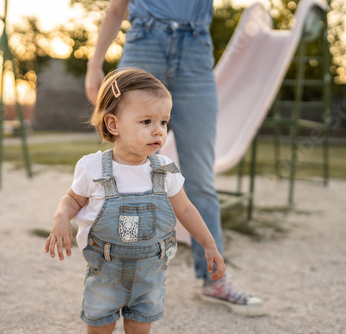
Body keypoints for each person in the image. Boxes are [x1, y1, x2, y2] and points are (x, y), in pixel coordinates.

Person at [84, 0, 266, 317]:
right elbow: (117, 8)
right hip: (144, 44)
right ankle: (118, 274)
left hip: (195, 51)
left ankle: (215, 281)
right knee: (125, 166)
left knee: (201, 178)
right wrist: (94, 65)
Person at [45, 68, 225, 334]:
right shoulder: (93, 168)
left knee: (139, 327)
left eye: (163, 122)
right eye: (146, 122)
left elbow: (185, 209)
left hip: (149, 276)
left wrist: (209, 244)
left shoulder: (164, 169)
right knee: (100, 327)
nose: (158, 131)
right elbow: (72, 199)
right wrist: (61, 218)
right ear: (113, 124)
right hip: (106, 273)